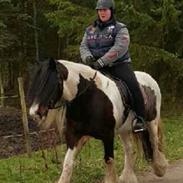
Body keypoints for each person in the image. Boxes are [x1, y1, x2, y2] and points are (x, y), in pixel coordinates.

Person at [80, 0, 146, 133]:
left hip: (119, 65)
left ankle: (140, 118)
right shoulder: (90, 29)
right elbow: (83, 46)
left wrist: (102, 61)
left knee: (133, 86)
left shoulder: (121, 28)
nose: (102, 13)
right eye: (99, 10)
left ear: (111, 11)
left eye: (105, 10)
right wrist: (87, 58)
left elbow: (120, 48)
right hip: (95, 65)